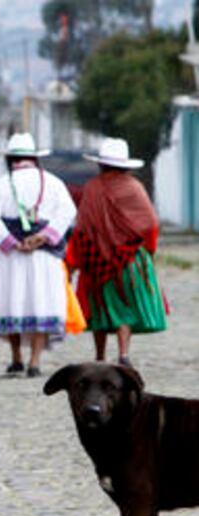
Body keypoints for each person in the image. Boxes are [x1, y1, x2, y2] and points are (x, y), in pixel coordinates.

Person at [0, 133, 78, 377]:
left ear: (11, 158)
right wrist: (42, 237)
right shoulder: (53, 182)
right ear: (34, 157)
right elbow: (68, 212)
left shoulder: (1, 184)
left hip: (11, 256)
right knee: (40, 303)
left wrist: (12, 242)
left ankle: (16, 358)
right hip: (43, 256)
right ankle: (35, 362)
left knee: (11, 301)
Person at [66, 138, 167, 367]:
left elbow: (82, 227)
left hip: (96, 258)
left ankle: (100, 356)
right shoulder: (134, 188)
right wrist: (147, 251)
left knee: (100, 306)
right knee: (125, 306)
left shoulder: (92, 187)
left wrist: (76, 260)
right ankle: (123, 354)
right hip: (130, 259)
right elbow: (150, 223)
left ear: (101, 164)